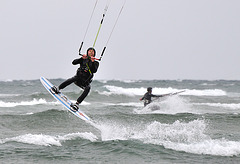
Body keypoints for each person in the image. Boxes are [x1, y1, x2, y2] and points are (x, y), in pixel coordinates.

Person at [51, 47, 99, 111]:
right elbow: (73, 62)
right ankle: (58, 88)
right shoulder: (83, 59)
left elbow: (94, 70)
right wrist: (81, 58)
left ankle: (77, 104)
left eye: (92, 51)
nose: (91, 52)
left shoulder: (96, 63)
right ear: (87, 52)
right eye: (89, 51)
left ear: (94, 53)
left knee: (88, 88)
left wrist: (92, 62)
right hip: (78, 79)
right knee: (73, 78)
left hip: (85, 82)